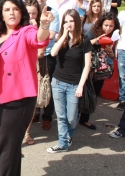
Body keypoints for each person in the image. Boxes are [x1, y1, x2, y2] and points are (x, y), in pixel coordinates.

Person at [0, 0, 52, 175]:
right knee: (5, 145)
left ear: (21, 12)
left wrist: (44, 25)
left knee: (7, 147)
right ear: (1, 15)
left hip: (20, 97)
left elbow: (38, 39)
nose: (11, 13)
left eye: (15, 9)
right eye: (7, 9)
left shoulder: (26, 31)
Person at [47, 9, 93, 153]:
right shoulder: (62, 38)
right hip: (58, 82)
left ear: (77, 22)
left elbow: (87, 66)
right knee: (61, 116)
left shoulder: (84, 40)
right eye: (66, 21)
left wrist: (80, 86)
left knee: (71, 118)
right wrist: (64, 36)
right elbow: (53, 53)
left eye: (71, 21)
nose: (68, 24)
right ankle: (62, 143)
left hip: (74, 85)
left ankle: (68, 135)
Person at [79, 12, 120, 129]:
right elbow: (83, 44)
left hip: (102, 70)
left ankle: (84, 119)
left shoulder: (114, 36)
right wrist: (98, 40)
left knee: (94, 94)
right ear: (101, 24)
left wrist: (109, 50)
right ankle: (74, 117)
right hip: (89, 68)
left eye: (111, 26)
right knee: (82, 92)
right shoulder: (93, 33)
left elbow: (112, 56)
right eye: (106, 25)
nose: (108, 28)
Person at [32, 0, 60, 131]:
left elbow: (52, 35)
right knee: (34, 85)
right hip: (31, 55)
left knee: (47, 85)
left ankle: (47, 117)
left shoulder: (53, 13)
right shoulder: (31, 12)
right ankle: (34, 112)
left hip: (48, 55)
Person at [23, 0, 42, 144]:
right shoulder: (18, 27)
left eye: (33, 14)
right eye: (28, 13)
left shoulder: (41, 29)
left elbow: (40, 52)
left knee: (30, 103)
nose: (31, 17)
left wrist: (35, 31)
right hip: (19, 70)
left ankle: (27, 132)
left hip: (34, 69)